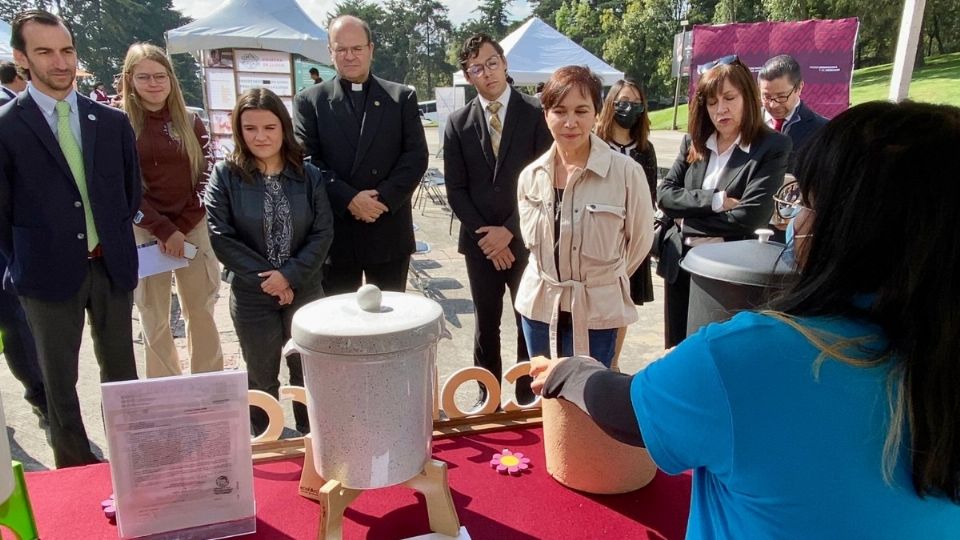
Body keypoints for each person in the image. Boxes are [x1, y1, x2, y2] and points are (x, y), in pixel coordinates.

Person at [530, 101, 960, 538]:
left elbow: (627, 411)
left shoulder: (750, 355)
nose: (793, 218)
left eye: (805, 200)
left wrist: (572, 369)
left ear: (846, 226)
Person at [0, 10, 141, 468]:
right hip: (45, 275)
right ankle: (76, 471)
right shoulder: (6, 128)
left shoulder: (112, 122)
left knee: (122, 377)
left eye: (66, 50)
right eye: (44, 52)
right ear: (22, 58)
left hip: (111, 267)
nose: (59, 62)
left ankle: (130, 464)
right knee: (58, 383)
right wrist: (27, 257)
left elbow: (128, 192)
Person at [206, 88, 334, 435]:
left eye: (269, 127)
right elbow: (220, 236)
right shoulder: (225, 175)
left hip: (305, 292)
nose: (260, 136)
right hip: (251, 296)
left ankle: (313, 441)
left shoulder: (309, 176)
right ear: (238, 130)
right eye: (250, 129)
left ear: (284, 128)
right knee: (261, 376)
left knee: (307, 372)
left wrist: (289, 276)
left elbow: (322, 233)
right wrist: (271, 280)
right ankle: (266, 442)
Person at [515, 66, 653, 368]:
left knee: (588, 403)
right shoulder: (530, 176)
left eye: (581, 110)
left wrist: (603, 278)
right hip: (539, 308)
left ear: (597, 113)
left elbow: (640, 241)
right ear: (546, 114)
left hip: (597, 312)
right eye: (559, 111)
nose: (570, 122)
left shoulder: (626, 173)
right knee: (547, 398)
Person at [444, 33, 552, 407]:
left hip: (524, 239)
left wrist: (509, 231)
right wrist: (487, 239)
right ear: (468, 75)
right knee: (485, 323)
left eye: (492, 63)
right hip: (479, 245)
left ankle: (527, 393)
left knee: (529, 319)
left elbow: (545, 182)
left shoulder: (536, 114)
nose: (487, 73)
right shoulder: (458, 123)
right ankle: (486, 395)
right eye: (477, 68)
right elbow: (456, 189)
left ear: (504, 63)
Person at [656, 55, 790, 348]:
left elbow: (751, 216)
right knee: (677, 353)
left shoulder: (771, 147)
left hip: (728, 280)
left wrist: (686, 220)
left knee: (719, 357)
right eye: (712, 102)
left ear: (748, 98)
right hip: (681, 265)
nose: (721, 109)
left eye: (730, 97)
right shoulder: (694, 141)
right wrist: (716, 201)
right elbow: (665, 195)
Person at [293, 15, 428, 295]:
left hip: (387, 226)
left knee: (390, 323)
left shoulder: (401, 97)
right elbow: (307, 161)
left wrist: (382, 199)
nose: (350, 56)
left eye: (357, 48)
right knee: (339, 327)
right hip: (337, 231)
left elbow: (415, 156)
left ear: (371, 49)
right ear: (330, 52)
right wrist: (350, 200)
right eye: (341, 49)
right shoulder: (310, 101)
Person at [122, 43, 223, 378]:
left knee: (201, 310)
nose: (154, 84)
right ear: (130, 80)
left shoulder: (191, 122)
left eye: (160, 76)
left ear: (171, 79)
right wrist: (163, 230)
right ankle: (163, 386)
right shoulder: (120, 126)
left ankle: (209, 382)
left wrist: (181, 226)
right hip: (145, 229)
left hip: (191, 225)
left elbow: (207, 173)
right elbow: (123, 187)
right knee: (154, 315)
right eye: (144, 77)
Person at [595, 78, 657, 367]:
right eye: (622, 102)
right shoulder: (595, 144)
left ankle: (613, 362)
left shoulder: (645, 149)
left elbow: (651, 197)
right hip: (598, 238)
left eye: (634, 104)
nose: (627, 108)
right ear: (610, 104)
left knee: (622, 304)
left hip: (631, 241)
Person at [758, 54, 827, 172]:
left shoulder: (823, 130)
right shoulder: (746, 123)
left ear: (799, 88)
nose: (773, 105)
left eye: (781, 96)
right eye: (767, 97)